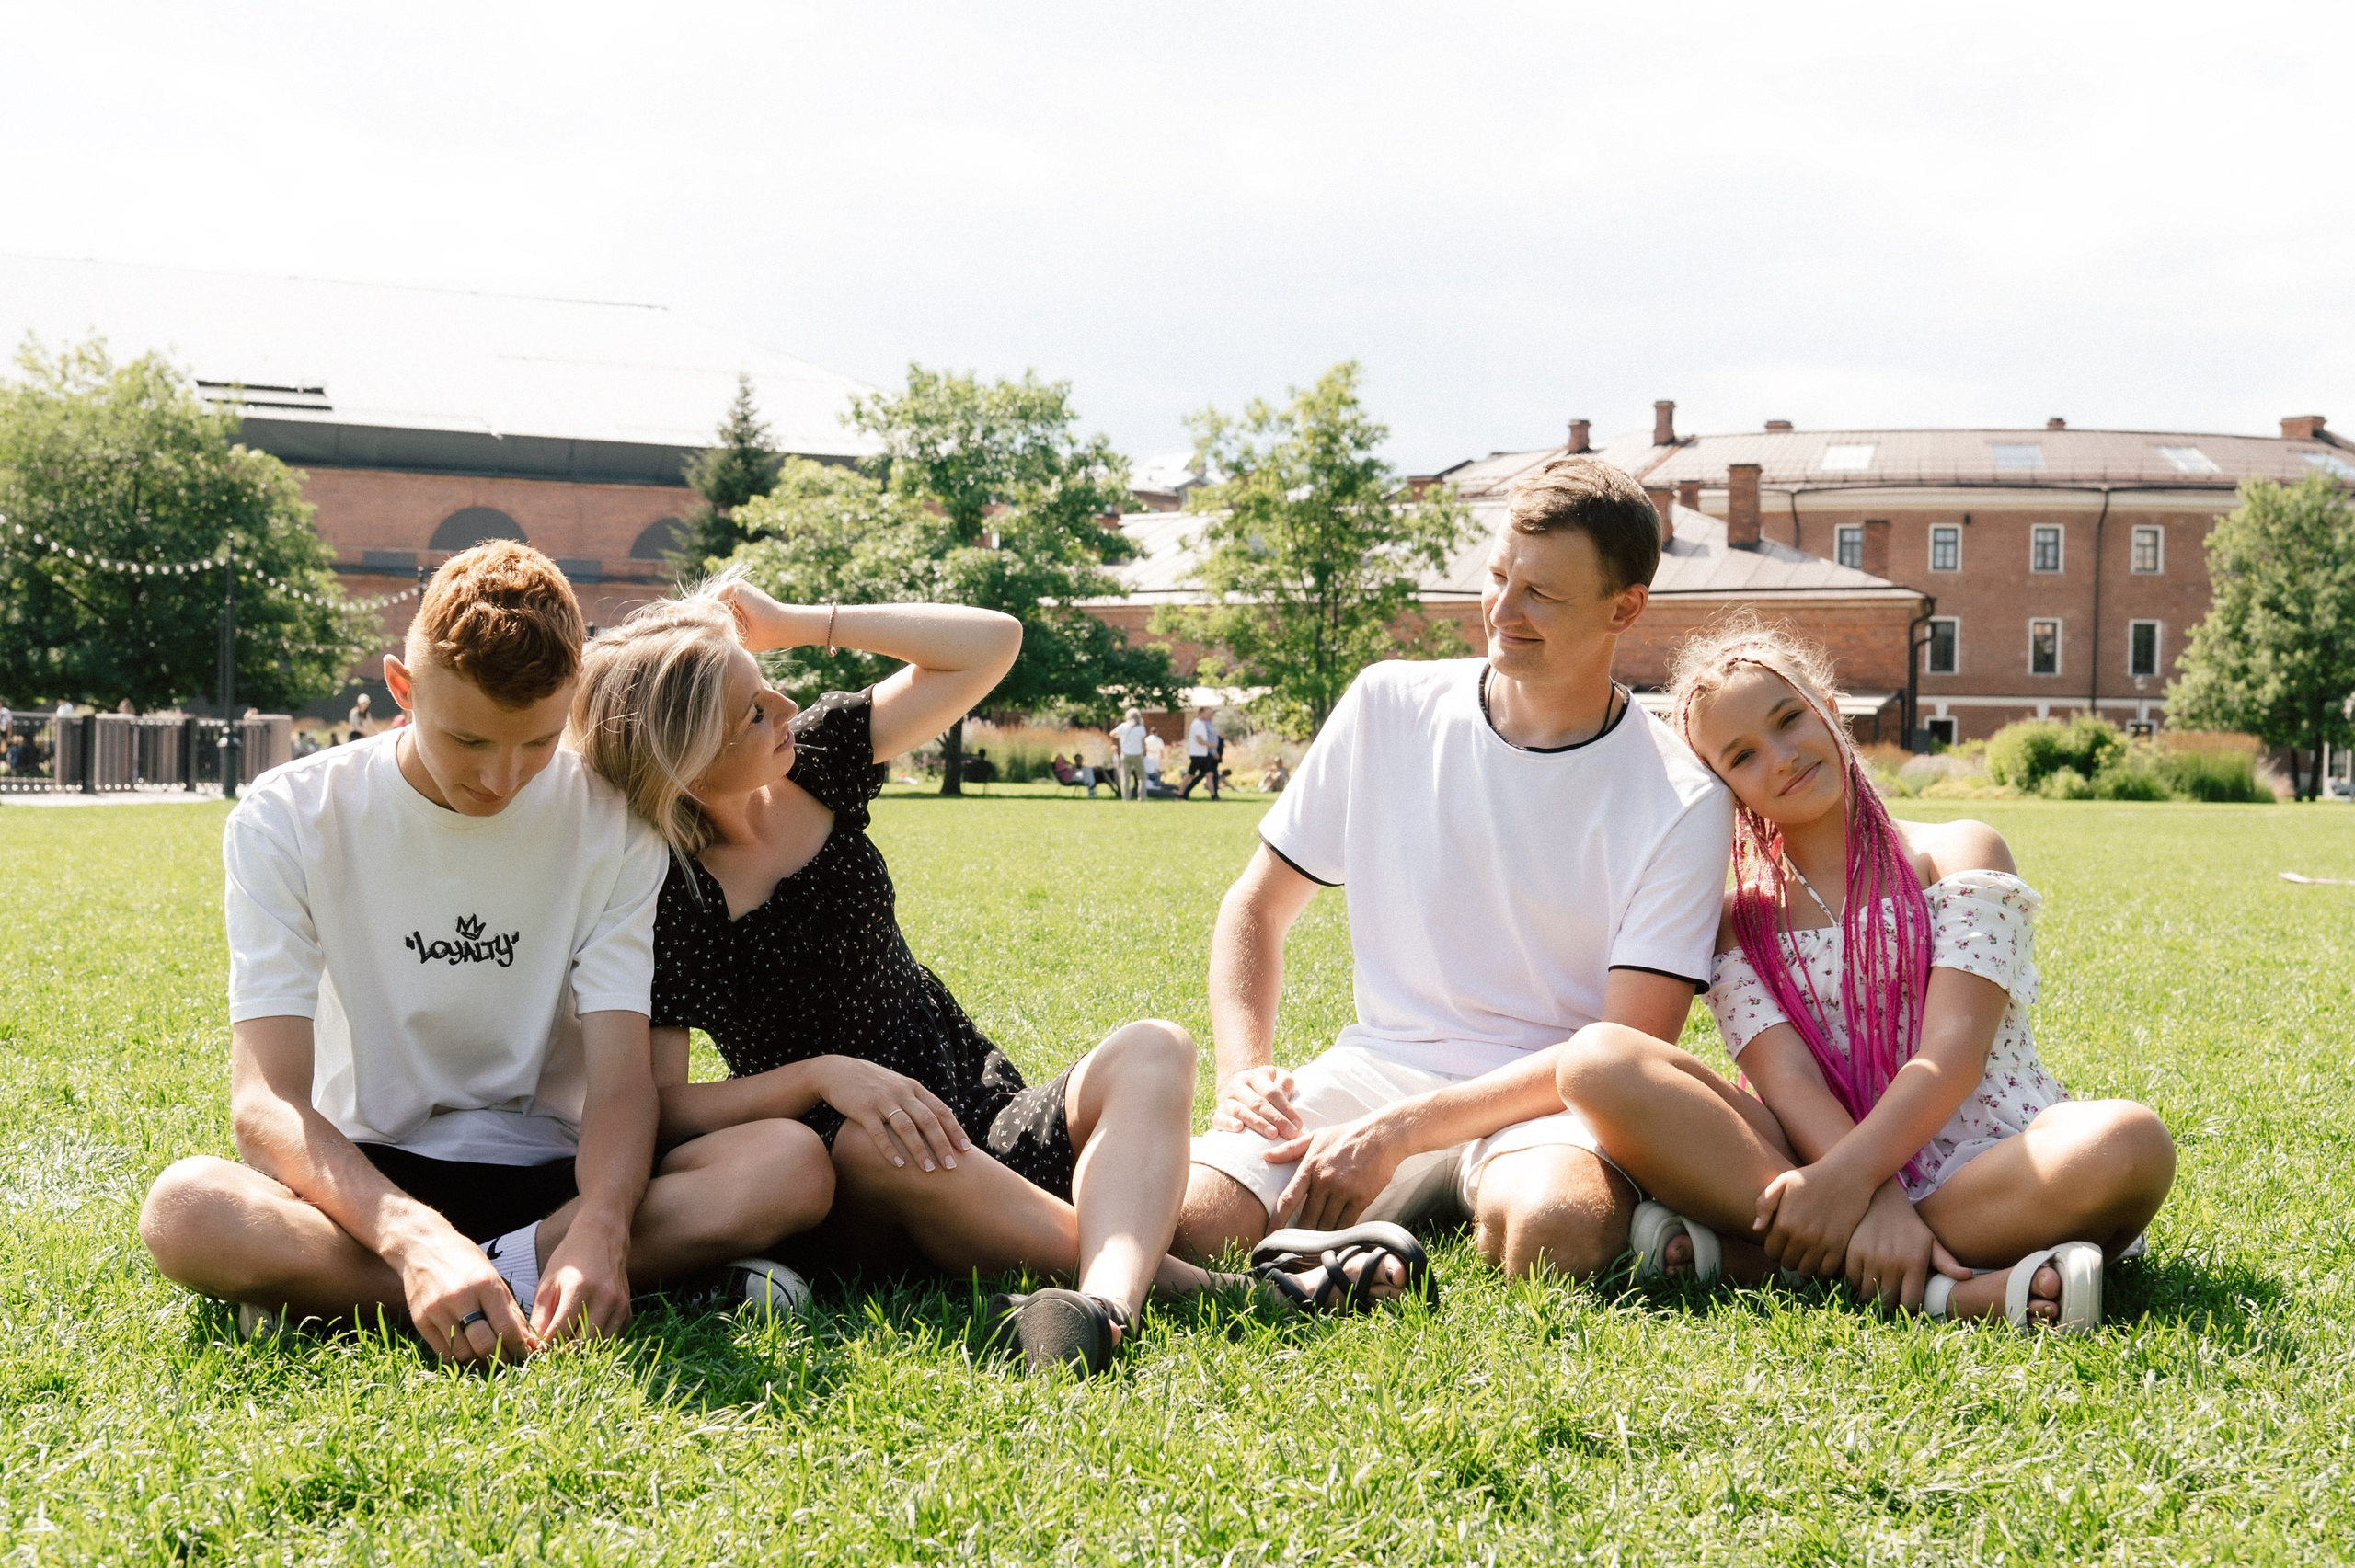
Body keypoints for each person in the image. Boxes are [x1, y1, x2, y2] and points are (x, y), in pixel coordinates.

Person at [569, 576, 1420, 1374]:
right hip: (859, 1167)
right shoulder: (663, 895)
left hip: (980, 1106)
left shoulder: (820, 758)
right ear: (685, 761)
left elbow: (991, 644)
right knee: (881, 1137)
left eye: (772, 683)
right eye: (753, 712)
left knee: (1153, 1048)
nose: (785, 705)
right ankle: (1231, 1296)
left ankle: (1101, 1303)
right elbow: (664, 1107)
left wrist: (799, 621)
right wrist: (824, 1078)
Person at [136, 542, 831, 1365]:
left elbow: (620, 1082)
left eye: (536, 744)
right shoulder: (287, 816)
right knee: (183, 1208)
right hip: (371, 1174)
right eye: (467, 740)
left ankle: (363, 1296)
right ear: (402, 687)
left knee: (790, 1163)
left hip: (556, 1168)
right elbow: (266, 1102)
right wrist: (410, 1235)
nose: (500, 779)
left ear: (569, 697)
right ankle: (508, 1286)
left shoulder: (613, 822)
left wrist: (603, 1226)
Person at [1177, 454, 1734, 1282]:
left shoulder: (1685, 796)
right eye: (1499, 575)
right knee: (1189, 1224)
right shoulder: (1386, 703)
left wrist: (1405, 1132)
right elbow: (1257, 905)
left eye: (1541, 593)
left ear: (1626, 607)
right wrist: (1245, 1069)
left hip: (1547, 1098)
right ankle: (1368, 1246)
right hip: (1378, 1064)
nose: (1503, 611)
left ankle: (1477, 1212)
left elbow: (1624, 1048)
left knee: (1557, 1237)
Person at [1552, 621, 2176, 1331]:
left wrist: (1845, 1188)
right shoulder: (1737, 920)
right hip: (1819, 1158)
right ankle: (1948, 1290)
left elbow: (1953, 1055)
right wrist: (1870, 1200)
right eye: (1743, 756)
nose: (1782, 757)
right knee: (1597, 1061)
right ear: (1723, 789)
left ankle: (1767, 1261)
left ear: (1827, 702)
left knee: (2128, 1142)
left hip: (1989, 1159)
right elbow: (1790, 1084)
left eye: (1790, 719)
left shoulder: (1956, 850)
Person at [1178, 706, 1221, 800]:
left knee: (1209, 774)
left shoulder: (1203, 724)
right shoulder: (1197, 724)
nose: (1210, 715)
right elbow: (1199, 740)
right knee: (1190, 775)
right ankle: (1180, 795)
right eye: (1208, 713)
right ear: (1201, 713)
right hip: (1197, 754)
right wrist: (1210, 745)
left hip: (1203, 754)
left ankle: (1214, 796)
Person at [1110, 709, 1148, 801]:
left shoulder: (1123, 726)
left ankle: (1126, 798)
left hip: (1125, 754)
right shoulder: (1140, 728)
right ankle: (1142, 798)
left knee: (1125, 777)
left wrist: (1119, 736)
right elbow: (1143, 743)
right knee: (1142, 777)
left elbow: (1112, 734)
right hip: (1137, 754)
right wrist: (1145, 752)